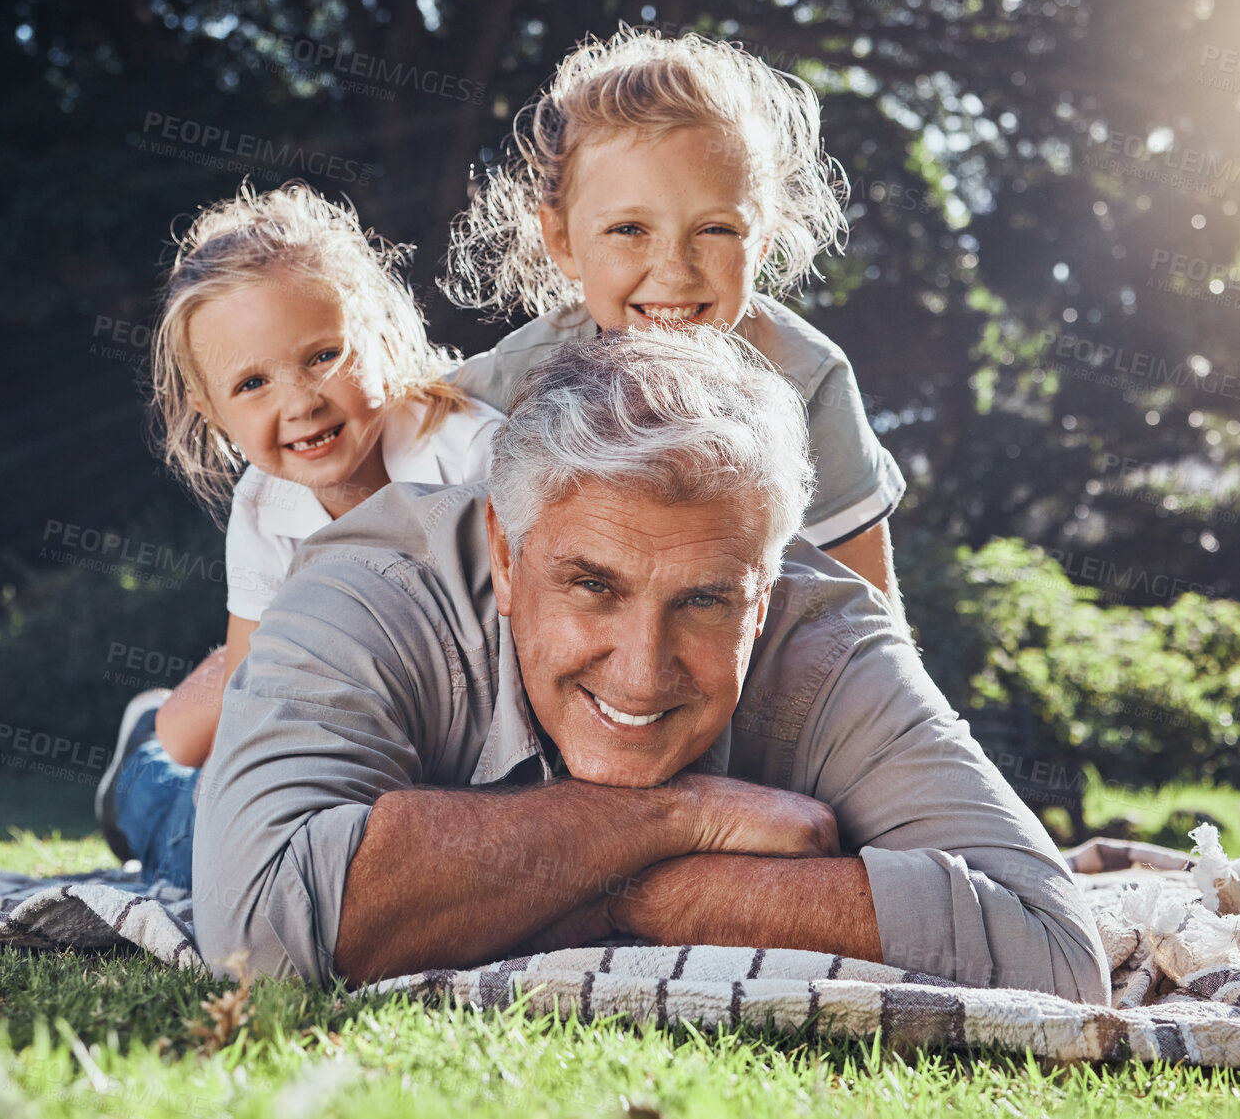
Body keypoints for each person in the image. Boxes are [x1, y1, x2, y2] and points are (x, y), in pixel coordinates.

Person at [184, 326, 1109, 1002]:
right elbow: (255, 930)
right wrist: (683, 816)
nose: (639, 670)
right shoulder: (364, 588)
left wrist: (578, 879)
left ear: (765, 588)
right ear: (506, 555)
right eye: (591, 585)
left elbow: (1052, 951)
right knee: (168, 810)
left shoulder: (827, 638)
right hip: (206, 786)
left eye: (705, 600)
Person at [94, 181, 504, 887]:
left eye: (323, 356)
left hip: (427, 716)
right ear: (210, 408)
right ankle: (146, 770)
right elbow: (260, 699)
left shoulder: (472, 458)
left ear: (378, 333)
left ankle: (162, 742)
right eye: (252, 383)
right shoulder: (262, 506)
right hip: (321, 705)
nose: (300, 402)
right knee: (209, 841)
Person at [443, 26, 908, 619]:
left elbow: (872, 616)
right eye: (629, 230)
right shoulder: (508, 382)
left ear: (761, 241)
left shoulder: (806, 380)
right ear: (560, 238)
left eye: (716, 229)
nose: (674, 272)